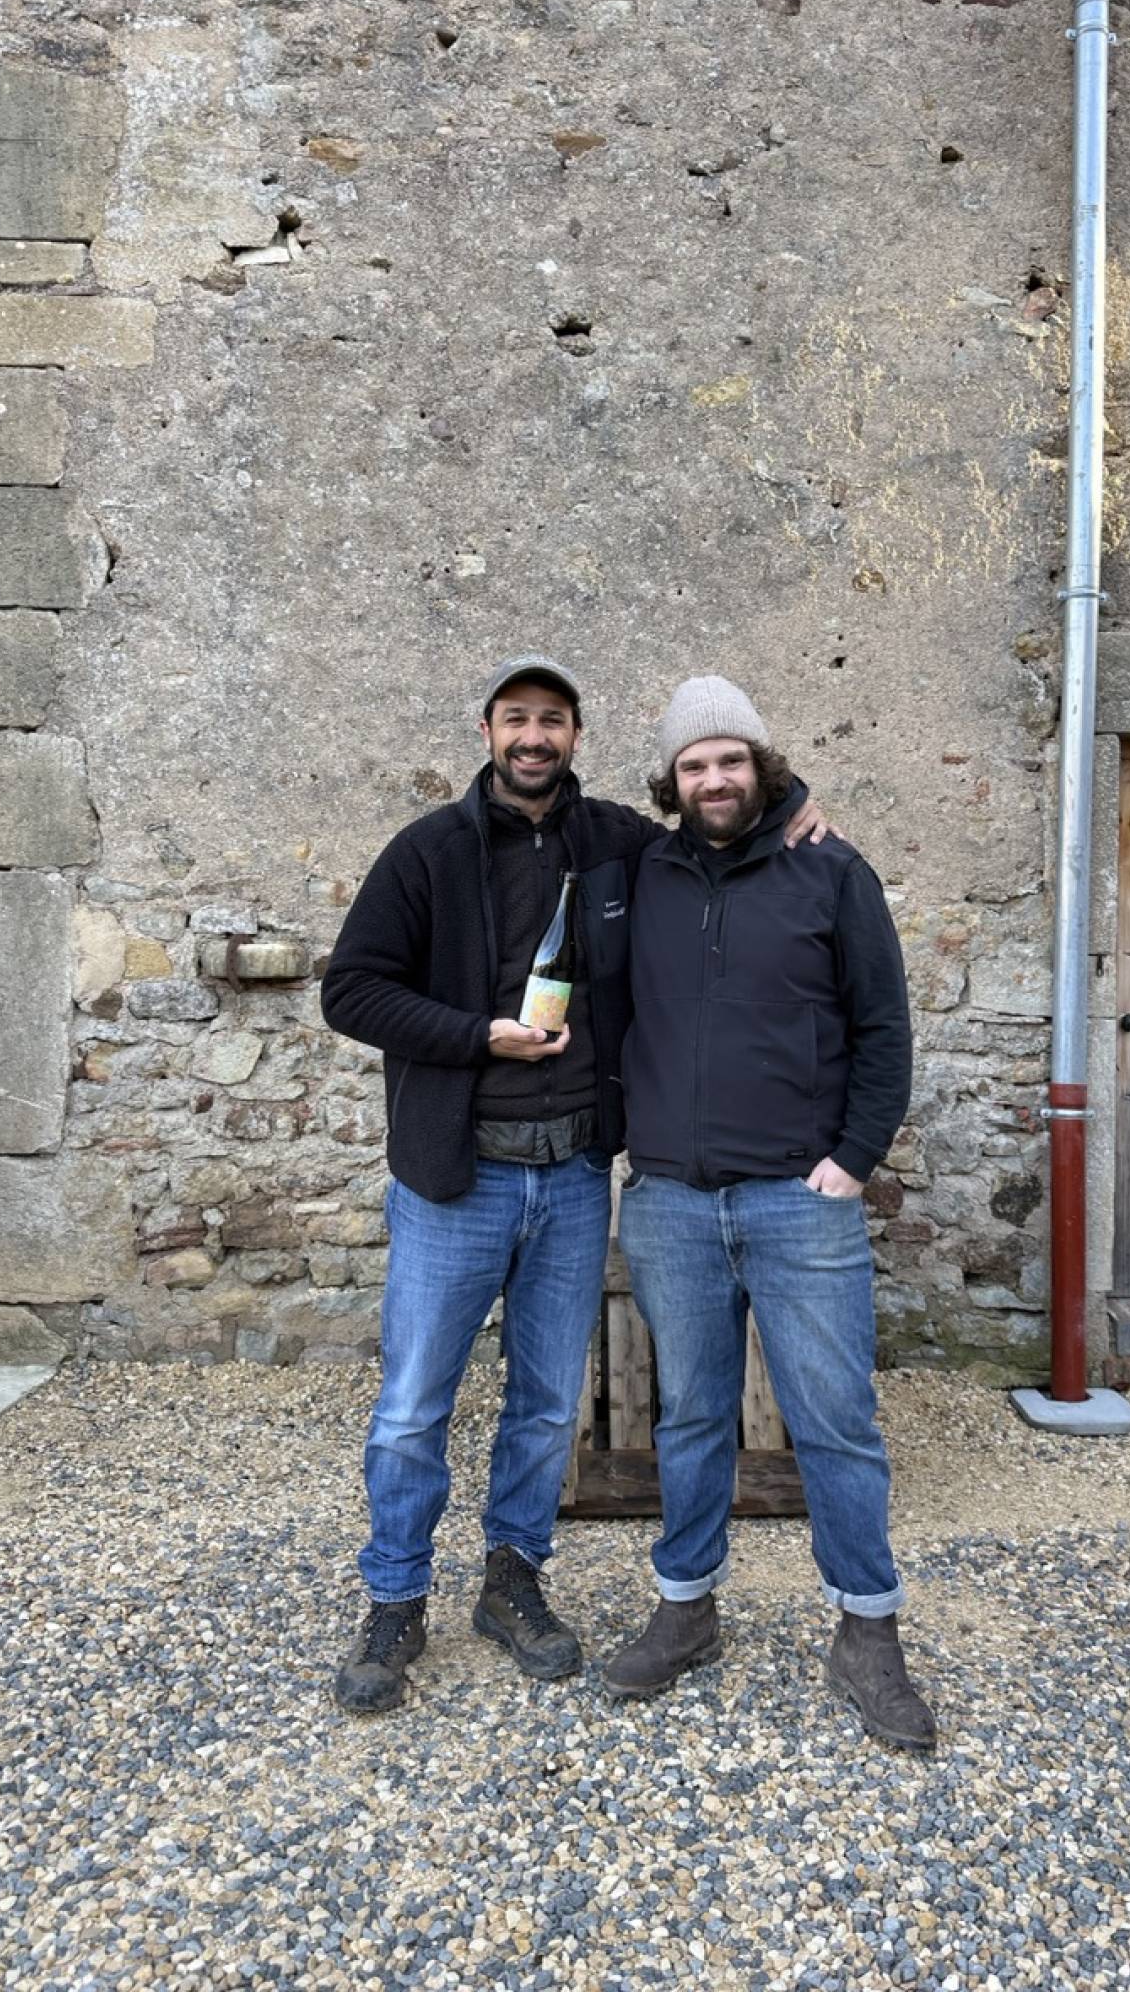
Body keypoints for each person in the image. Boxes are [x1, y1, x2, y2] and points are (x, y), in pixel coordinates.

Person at [320, 655, 829, 1717]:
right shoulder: (425, 852)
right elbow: (351, 990)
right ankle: (395, 1599)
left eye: (553, 721)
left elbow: (715, 829)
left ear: (578, 737)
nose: (534, 737)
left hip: (573, 1180)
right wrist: (475, 1037)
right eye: (517, 719)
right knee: (415, 1406)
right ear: (488, 729)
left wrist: (797, 811)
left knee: (547, 1407)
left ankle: (513, 1583)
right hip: (455, 1183)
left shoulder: (615, 843)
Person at [604, 675, 936, 1753]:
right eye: (694, 765)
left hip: (801, 1203)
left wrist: (851, 1161)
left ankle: (868, 1633)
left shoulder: (829, 870)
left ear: (764, 766)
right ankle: (687, 1607)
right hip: (672, 1204)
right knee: (691, 1418)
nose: (714, 779)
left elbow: (883, 1031)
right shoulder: (637, 871)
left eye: (732, 760)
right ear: (671, 781)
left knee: (836, 1420)